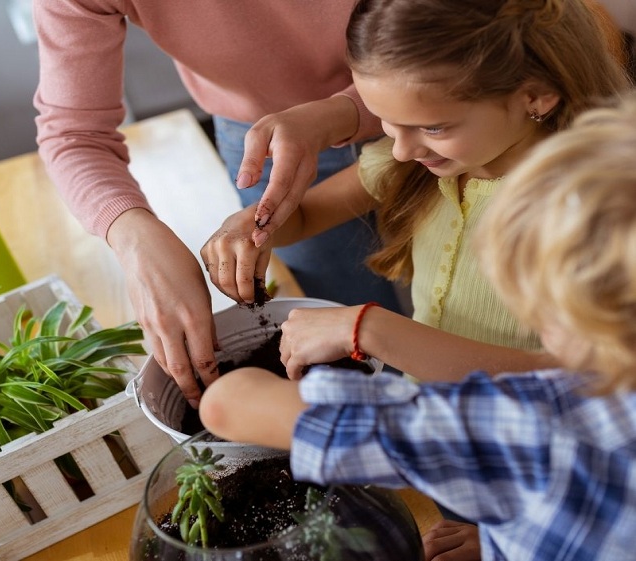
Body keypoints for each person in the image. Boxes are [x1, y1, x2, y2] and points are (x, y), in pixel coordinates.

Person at [199, 92, 636, 561]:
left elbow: (227, 407)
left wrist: (364, 329)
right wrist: (503, 539)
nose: (404, 148)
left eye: (535, 302)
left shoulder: (515, 429)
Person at [201, 0, 630, 382]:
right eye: (385, 120)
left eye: (433, 127)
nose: (402, 150)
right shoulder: (416, 162)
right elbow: (306, 217)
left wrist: (371, 330)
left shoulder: (593, 210)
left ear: (536, 96)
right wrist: (253, 224)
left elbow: (583, 378)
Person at [32, 1, 404, 407]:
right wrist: (135, 239)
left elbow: (468, 36)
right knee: (354, 334)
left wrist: (345, 111)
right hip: (267, 136)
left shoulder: (429, 130)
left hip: (441, 85)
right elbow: (74, 135)